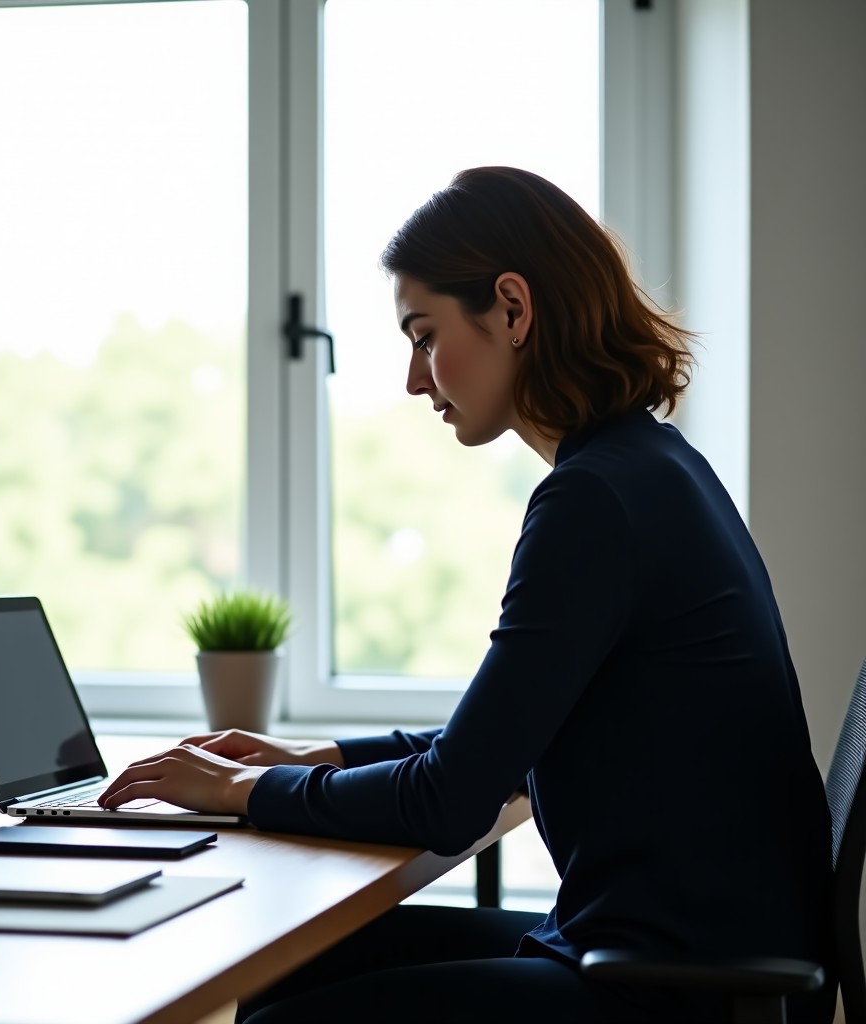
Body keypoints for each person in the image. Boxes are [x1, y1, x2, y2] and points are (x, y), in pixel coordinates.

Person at [99, 167, 836, 1024]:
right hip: (677, 954)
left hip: (665, 987)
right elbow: (500, 747)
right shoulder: (651, 468)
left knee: (277, 1014)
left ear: (513, 310)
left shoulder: (595, 499)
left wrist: (235, 793)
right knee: (291, 967)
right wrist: (316, 760)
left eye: (424, 335)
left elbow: (449, 800)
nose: (415, 379)